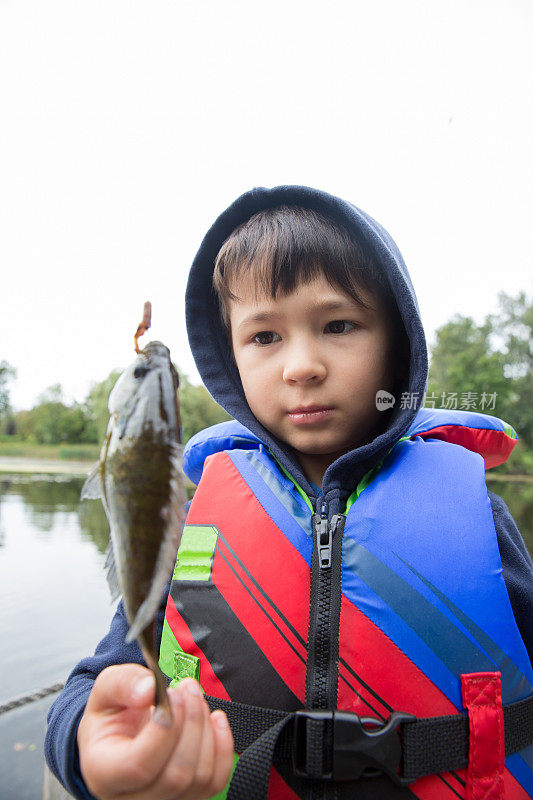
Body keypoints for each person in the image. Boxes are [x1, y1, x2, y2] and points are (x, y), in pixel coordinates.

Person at [45, 185, 533, 800]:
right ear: (232, 358)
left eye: (338, 325)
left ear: (397, 347)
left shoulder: (478, 517)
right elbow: (86, 694)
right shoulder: (189, 520)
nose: (301, 365)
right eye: (265, 337)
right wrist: (92, 755)